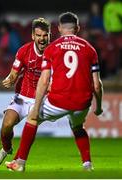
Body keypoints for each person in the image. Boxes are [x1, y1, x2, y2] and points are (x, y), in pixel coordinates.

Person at [6, 12, 103, 172]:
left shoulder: (52, 49)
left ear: (58, 29)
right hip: (82, 102)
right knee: (78, 127)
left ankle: (20, 163)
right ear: (77, 28)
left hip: (59, 100)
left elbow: (44, 81)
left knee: (32, 118)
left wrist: (36, 107)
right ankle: (87, 164)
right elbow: (97, 85)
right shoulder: (90, 49)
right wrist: (98, 107)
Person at [0, 17, 51, 168]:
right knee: (6, 125)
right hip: (22, 97)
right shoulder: (24, 51)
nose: (42, 39)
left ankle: (17, 161)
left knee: (29, 129)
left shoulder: (55, 53)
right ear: (33, 36)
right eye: (39, 35)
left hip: (42, 100)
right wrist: (10, 80)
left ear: (49, 35)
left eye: (45, 35)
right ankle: (6, 148)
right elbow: (14, 73)